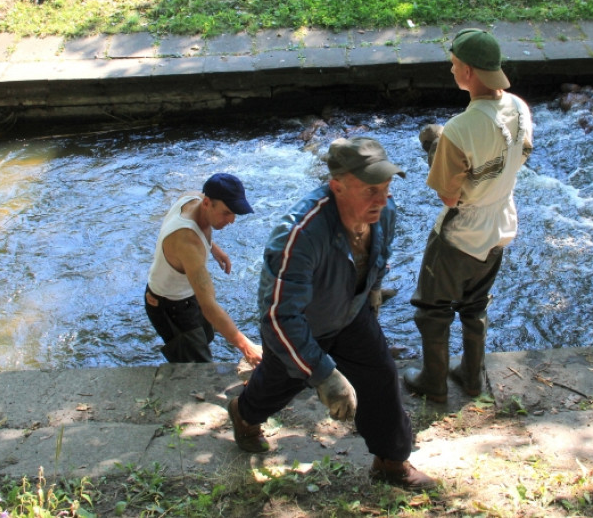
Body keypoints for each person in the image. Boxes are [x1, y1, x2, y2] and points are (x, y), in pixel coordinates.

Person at [227, 137, 436, 491]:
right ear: (336, 186)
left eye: (385, 187)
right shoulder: (300, 233)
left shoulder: (385, 211)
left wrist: (371, 294)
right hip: (300, 328)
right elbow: (278, 316)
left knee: (381, 375)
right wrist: (324, 375)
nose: (382, 199)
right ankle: (244, 414)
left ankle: (390, 461)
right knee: (279, 386)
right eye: (371, 189)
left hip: (350, 314)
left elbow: (378, 255)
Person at [403, 29, 533, 403]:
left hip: (460, 234)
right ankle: (472, 378)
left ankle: (434, 382)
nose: (451, 69)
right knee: (475, 305)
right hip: (501, 224)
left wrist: (435, 150)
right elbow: (523, 153)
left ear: (470, 72)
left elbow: (448, 194)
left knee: (433, 309)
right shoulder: (519, 108)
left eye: (455, 64)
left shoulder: (459, 130)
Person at [144, 173, 263, 367]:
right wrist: (246, 347)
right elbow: (208, 305)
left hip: (186, 296)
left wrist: (212, 248)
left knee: (206, 335)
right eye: (226, 213)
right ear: (207, 203)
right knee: (198, 366)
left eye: (234, 213)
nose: (232, 220)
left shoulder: (193, 198)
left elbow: (195, 229)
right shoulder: (188, 243)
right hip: (168, 306)